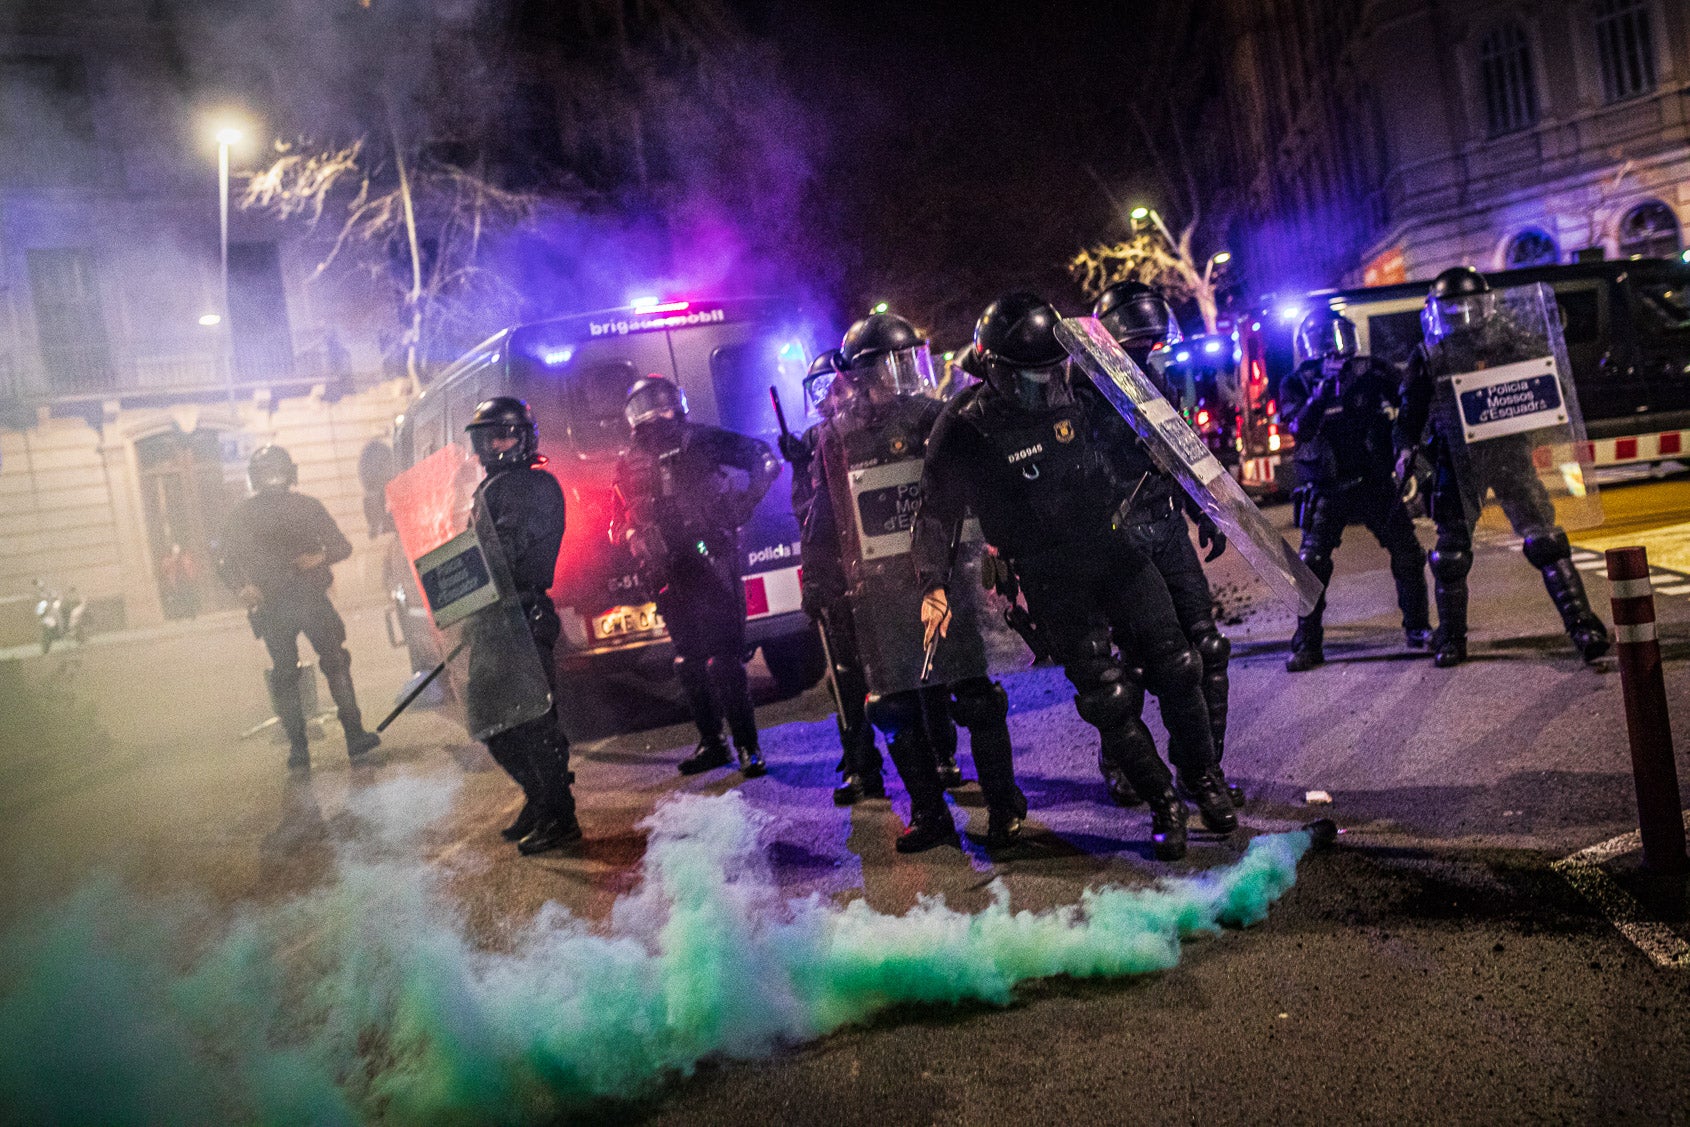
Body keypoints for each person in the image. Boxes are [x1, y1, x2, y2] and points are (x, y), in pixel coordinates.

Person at [913, 293, 1236, 861]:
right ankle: (1164, 804)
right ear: (992, 369)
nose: (1041, 389)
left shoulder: (1088, 389)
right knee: (1107, 697)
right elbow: (937, 511)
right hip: (1050, 574)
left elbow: (1156, 440)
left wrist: (1197, 498)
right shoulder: (965, 425)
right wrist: (932, 582)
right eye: (1026, 380)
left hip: (1117, 551)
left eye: (1049, 374)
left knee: (1179, 665)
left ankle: (1203, 779)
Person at [805, 312, 1025, 851]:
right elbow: (824, 513)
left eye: (905, 364)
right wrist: (818, 578)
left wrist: (1004, 548)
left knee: (975, 696)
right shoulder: (839, 439)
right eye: (885, 368)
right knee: (894, 707)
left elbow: (986, 487)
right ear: (858, 377)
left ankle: (1003, 806)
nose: (896, 379)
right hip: (881, 591)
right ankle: (929, 814)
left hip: (948, 578)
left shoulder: (940, 418)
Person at [1396, 267, 1611, 668]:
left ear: (1486, 304)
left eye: (1469, 305)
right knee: (1452, 554)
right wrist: (1406, 452)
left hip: (1509, 453)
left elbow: (1552, 382)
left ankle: (1584, 627)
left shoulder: (1511, 340)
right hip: (1456, 461)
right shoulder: (1430, 352)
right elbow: (1409, 416)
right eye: (1453, 308)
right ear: (1438, 311)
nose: (1462, 314)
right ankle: (1453, 639)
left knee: (1546, 540)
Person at [1089, 281, 1240, 808]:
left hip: (1167, 525)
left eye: (1148, 344)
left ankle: (1204, 770)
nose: (1142, 353)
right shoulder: (1082, 391)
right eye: (1134, 345)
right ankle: (1122, 762)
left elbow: (1180, 452)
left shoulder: (1157, 382)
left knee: (1207, 648)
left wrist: (1205, 510)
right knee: (1134, 663)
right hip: (1120, 536)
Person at [613, 375, 780, 776]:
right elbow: (616, 517)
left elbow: (764, 457)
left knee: (724, 659)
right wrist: (633, 537)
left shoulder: (702, 440)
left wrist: (744, 503)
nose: (656, 414)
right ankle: (712, 742)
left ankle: (747, 746)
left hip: (712, 559)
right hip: (666, 568)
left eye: (662, 405)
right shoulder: (629, 461)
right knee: (687, 661)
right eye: (648, 407)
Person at [1280, 306, 1432, 671]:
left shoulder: (1371, 370)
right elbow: (1299, 428)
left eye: (1339, 338)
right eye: (1323, 342)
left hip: (1374, 479)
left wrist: (1408, 441)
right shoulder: (1297, 381)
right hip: (1326, 488)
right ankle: (1307, 642)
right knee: (1312, 564)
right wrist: (1320, 393)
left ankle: (1418, 628)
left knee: (1408, 552)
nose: (1333, 349)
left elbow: (1408, 399)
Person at [463, 397, 580, 854]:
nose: (498, 444)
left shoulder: (532, 485)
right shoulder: (494, 486)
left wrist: (475, 567)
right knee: (492, 721)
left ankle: (560, 816)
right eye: (490, 437)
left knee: (533, 723)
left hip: (523, 615)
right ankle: (539, 798)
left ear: (524, 437)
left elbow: (507, 549)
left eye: (506, 434)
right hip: (494, 617)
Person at [219, 444, 380, 770]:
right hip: (293, 600)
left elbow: (224, 562)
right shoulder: (304, 506)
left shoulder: (244, 514)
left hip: (287, 601)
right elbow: (341, 546)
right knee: (329, 664)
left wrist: (243, 588)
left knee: (291, 673)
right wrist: (244, 586)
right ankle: (350, 736)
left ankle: (304, 749)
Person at [784, 349, 886, 805]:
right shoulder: (817, 440)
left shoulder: (878, 425)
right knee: (845, 677)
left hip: (886, 567)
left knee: (906, 670)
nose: (829, 399)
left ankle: (940, 756)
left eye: (836, 387)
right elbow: (811, 516)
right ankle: (862, 765)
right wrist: (800, 467)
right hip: (843, 572)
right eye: (821, 391)